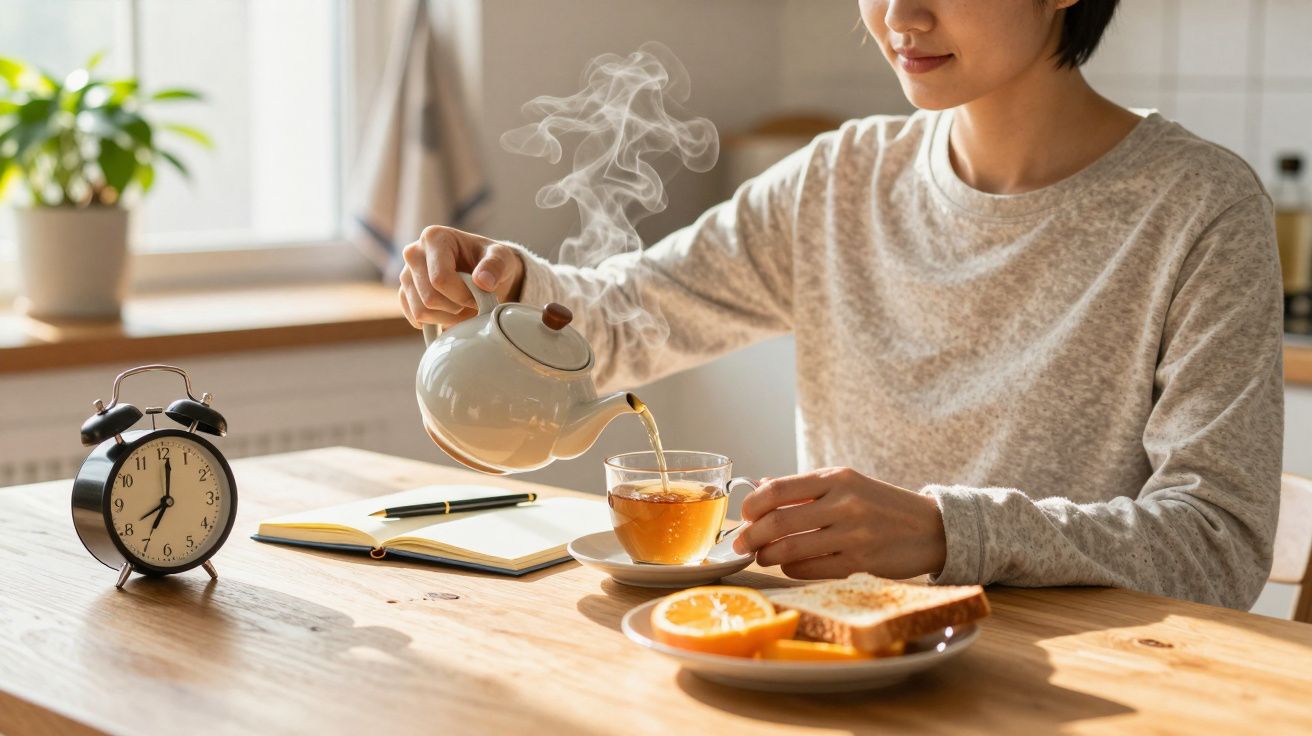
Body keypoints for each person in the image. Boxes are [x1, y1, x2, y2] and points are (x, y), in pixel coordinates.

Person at [397, 0, 1284, 609]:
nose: (900, 15)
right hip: (836, 671)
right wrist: (512, 293)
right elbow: (632, 318)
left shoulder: (1199, 207)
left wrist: (947, 534)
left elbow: (1218, 548)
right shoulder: (840, 179)